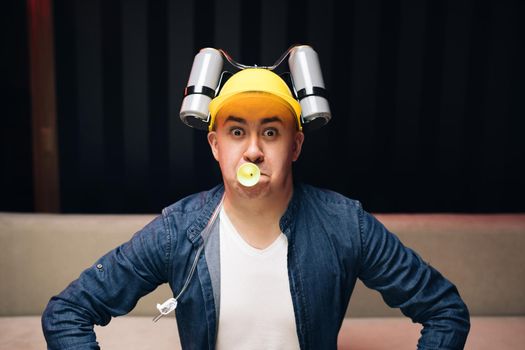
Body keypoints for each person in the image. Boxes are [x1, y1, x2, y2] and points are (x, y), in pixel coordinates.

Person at [42, 59, 470, 349]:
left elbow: (445, 310)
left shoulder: (345, 225)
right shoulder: (178, 231)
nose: (252, 151)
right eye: (235, 132)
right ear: (214, 145)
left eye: (270, 132)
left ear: (295, 145)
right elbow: (68, 312)